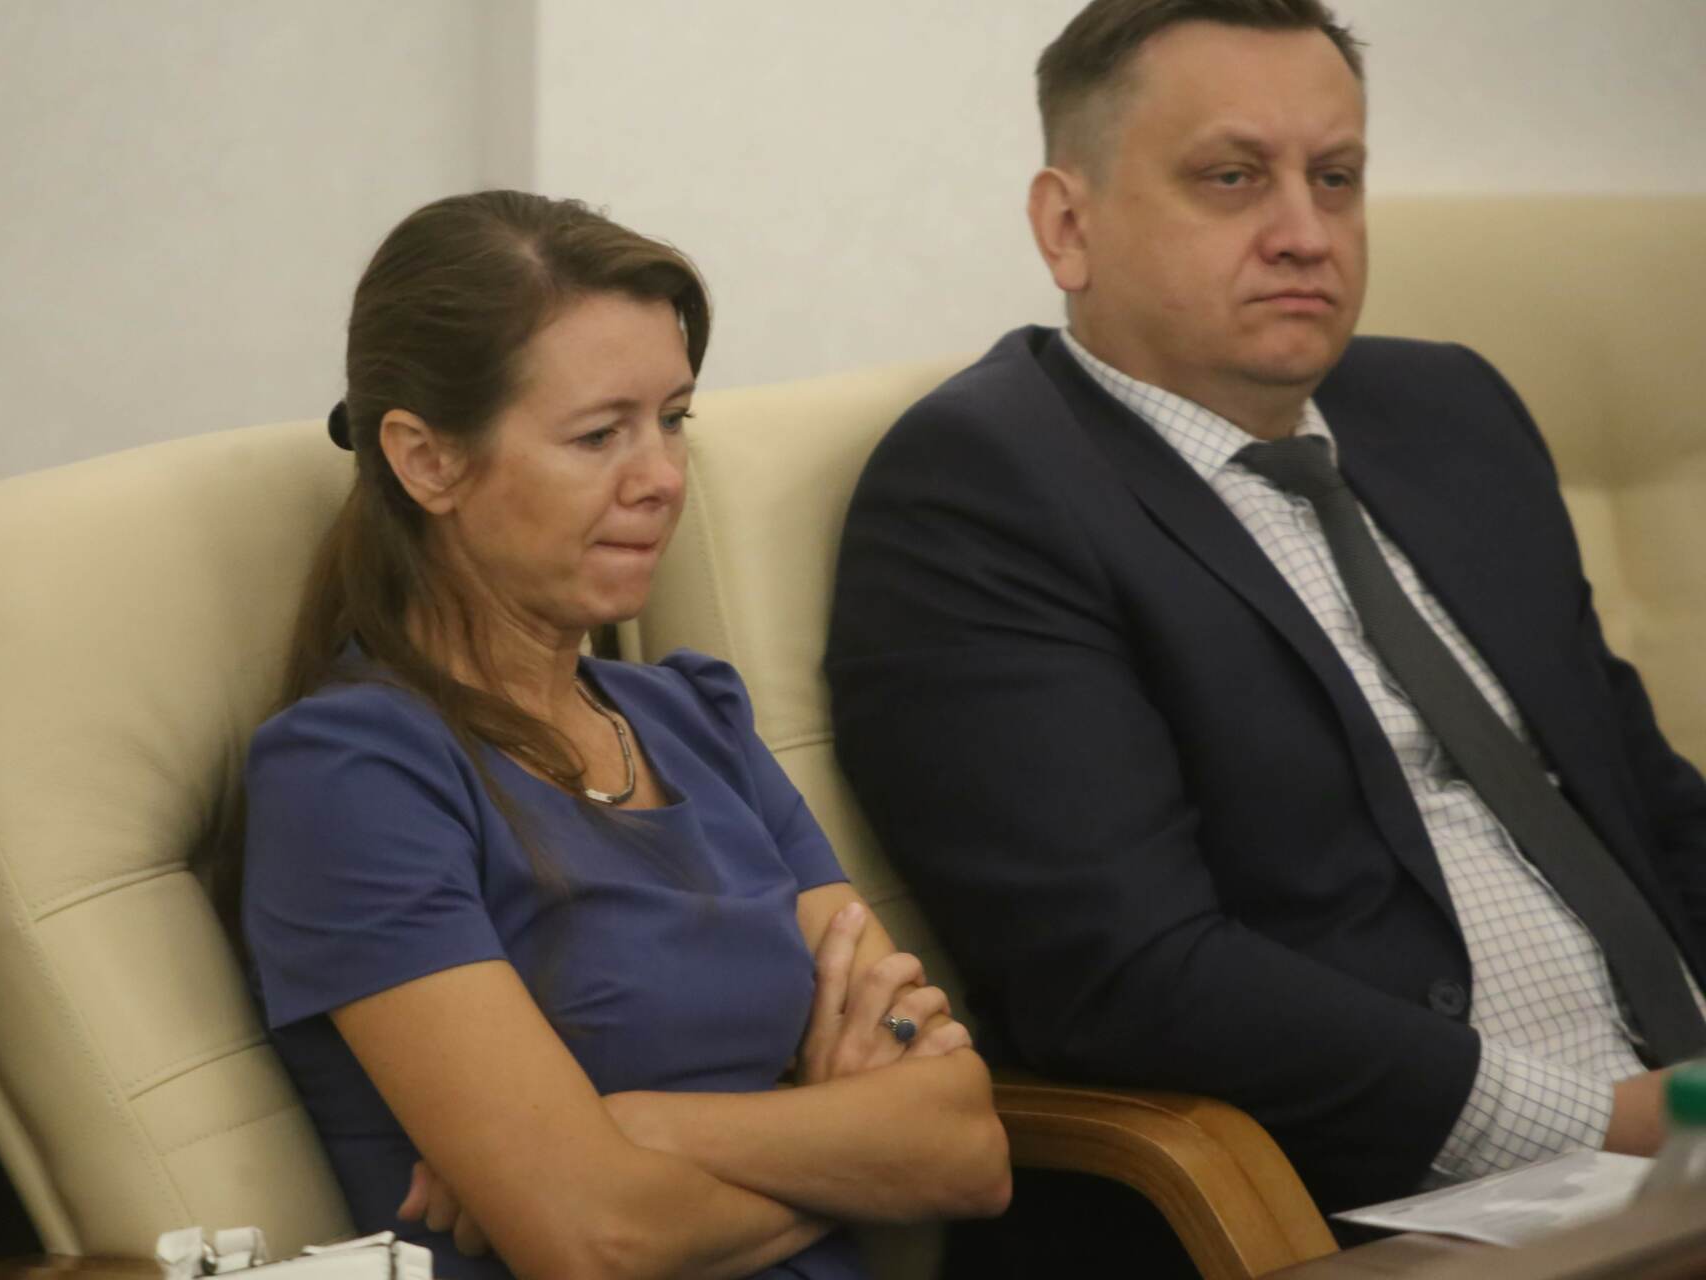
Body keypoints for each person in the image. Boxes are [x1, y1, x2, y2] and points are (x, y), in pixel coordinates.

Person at [826, 0, 1706, 1248]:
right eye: (1232, 178)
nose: (1305, 232)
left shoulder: (1450, 408)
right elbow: (1126, 975)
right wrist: (1612, 1118)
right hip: (1366, 1204)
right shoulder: (982, 492)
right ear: (1068, 226)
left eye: (1335, 177)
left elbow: (1642, 796)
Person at [229, 191, 1010, 1280]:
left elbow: (966, 1148)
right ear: (427, 460)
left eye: (674, 419)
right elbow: (597, 1239)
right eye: (600, 435)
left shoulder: (695, 716)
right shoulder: (352, 775)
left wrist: (641, 1126)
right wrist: (839, 1137)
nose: (662, 479)